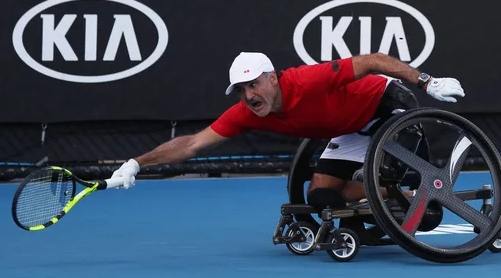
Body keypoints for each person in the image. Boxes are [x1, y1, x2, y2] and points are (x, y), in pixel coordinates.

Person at [111, 52, 464, 211]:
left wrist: (426, 82)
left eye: (254, 85)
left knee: (382, 170)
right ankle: (398, 194)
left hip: (387, 105)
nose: (249, 95)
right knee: (322, 197)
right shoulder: (249, 113)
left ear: (273, 78)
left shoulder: (307, 80)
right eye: (242, 90)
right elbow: (192, 144)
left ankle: (411, 188)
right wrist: (137, 164)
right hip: (353, 129)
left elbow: (372, 60)